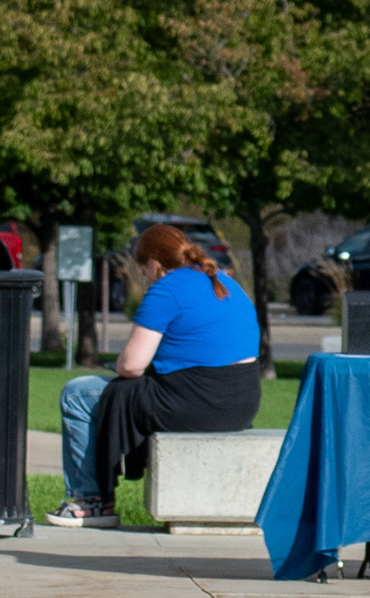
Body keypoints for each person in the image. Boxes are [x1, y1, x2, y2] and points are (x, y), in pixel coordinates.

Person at [51, 223, 265, 527]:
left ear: (154, 261)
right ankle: (94, 500)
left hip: (198, 402)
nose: (143, 276)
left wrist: (123, 364)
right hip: (242, 404)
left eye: (143, 268)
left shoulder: (167, 289)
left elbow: (131, 366)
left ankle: (91, 502)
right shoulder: (227, 283)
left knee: (77, 393)